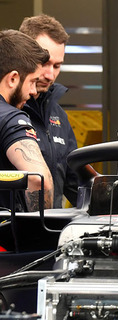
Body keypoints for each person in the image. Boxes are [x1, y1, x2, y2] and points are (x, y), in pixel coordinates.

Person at [20, 14, 80, 208]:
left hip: (49, 232)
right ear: (23, 53)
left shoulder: (58, 115)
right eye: (44, 62)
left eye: (57, 65)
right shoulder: (6, 110)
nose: (50, 74)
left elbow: (77, 183)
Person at [0, 29, 54, 210]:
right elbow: (39, 180)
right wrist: (40, 234)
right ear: (13, 78)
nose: (33, 92)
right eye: (32, 81)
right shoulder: (11, 117)